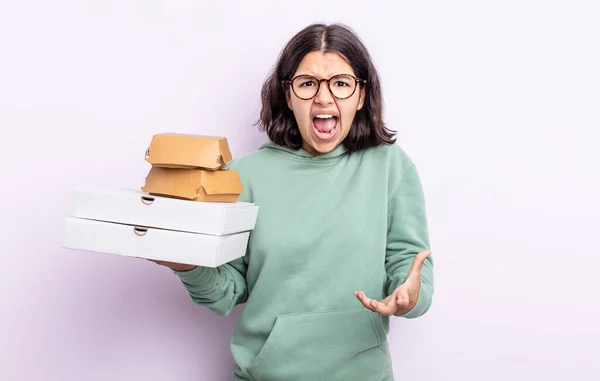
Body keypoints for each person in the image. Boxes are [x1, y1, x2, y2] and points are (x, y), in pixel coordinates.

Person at [152, 23, 434, 381]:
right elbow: (226, 291)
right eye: (307, 83)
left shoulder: (390, 167)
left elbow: (412, 268)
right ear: (288, 94)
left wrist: (410, 295)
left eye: (341, 83)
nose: (324, 98)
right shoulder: (245, 175)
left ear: (361, 95)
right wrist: (184, 265)